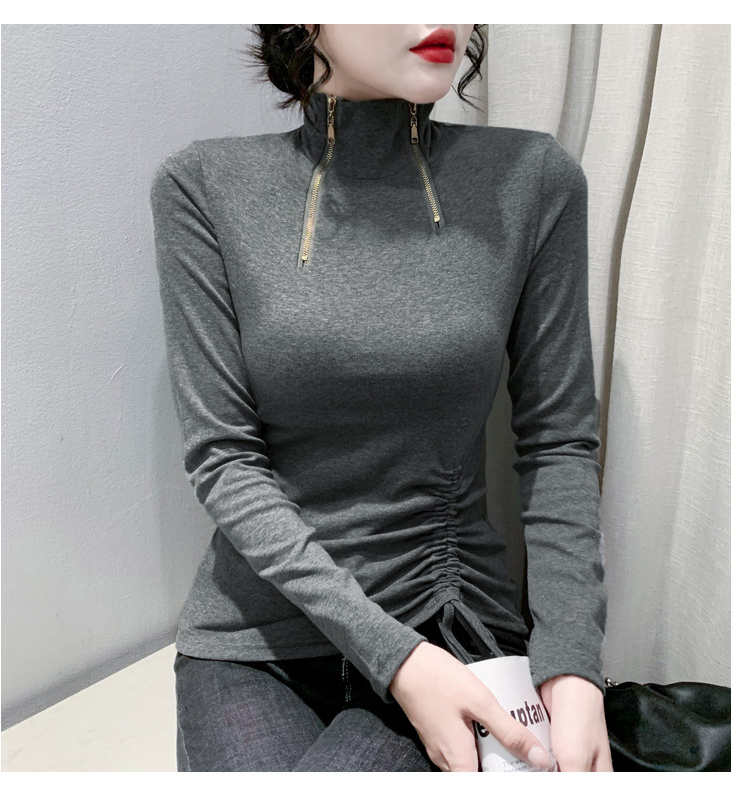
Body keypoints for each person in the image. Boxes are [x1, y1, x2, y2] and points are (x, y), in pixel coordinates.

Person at [149, 24, 613, 772]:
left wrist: (573, 661)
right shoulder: (202, 186)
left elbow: (558, 440)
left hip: (449, 620)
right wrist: (394, 659)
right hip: (258, 637)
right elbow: (225, 458)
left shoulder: (531, 179)